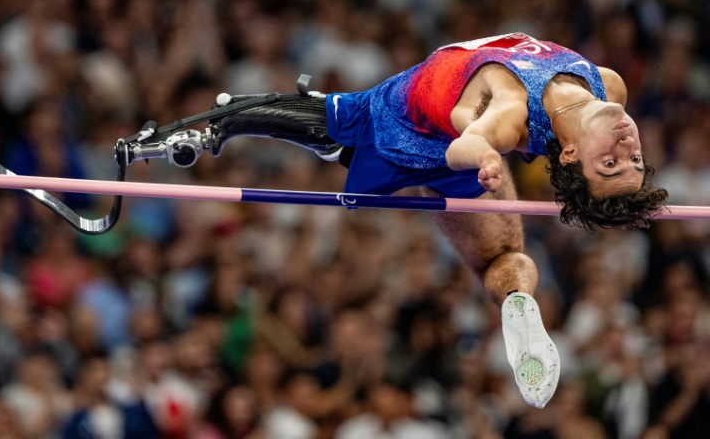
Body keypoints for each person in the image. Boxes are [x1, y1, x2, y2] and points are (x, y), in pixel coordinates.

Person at [130, 32, 667, 408]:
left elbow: (473, 138)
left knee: (342, 123)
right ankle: (250, 126)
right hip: (451, 134)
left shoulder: (507, 112)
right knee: (497, 248)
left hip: (416, 127)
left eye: (611, 163)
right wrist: (480, 153)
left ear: (571, 157)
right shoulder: (610, 88)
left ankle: (225, 121)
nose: (626, 145)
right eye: (631, 160)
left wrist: (479, 156)